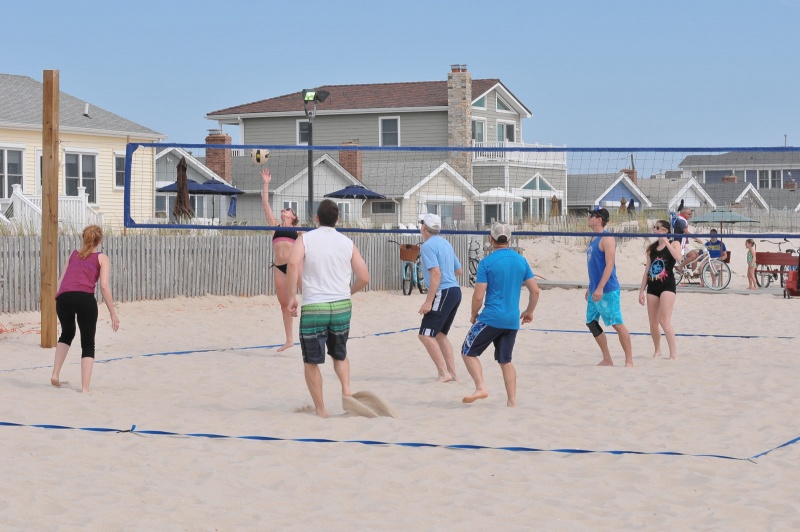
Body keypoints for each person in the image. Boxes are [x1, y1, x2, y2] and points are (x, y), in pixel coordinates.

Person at [286, 199, 370, 418]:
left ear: (316, 218)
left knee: (311, 361)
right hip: (341, 306)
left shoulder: (306, 239)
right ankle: (347, 391)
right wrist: (347, 292)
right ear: (337, 219)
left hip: (315, 306)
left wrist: (292, 296)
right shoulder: (347, 243)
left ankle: (321, 410)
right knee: (340, 354)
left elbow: (293, 263)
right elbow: (364, 277)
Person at [461, 222, 539, 406]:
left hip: (492, 317)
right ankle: (512, 402)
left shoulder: (487, 262)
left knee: (467, 351)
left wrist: (473, 313)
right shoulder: (521, 260)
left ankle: (481, 387)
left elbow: (478, 295)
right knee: (506, 361)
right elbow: (535, 291)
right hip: (512, 320)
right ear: (509, 240)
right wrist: (529, 311)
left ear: (491, 239)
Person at [51, 225, 120, 393]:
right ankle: (85, 388)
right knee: (88, 343)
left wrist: (58, 298)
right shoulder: (102, 258)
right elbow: (104, 286)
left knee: (67, 333)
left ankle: (55, 374)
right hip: (84, 298)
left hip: (64, 297)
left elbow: (61, 281)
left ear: (84, 238)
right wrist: (113, 313)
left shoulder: (73, 254)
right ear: (100, 240)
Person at [417, 213, 463, 382]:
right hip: (455, 291)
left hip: (443, 292)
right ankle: (453, 374)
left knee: (425, 335)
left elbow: (436, 274)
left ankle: (444, 374)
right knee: (440, 335)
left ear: (424, 227)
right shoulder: (445, 243)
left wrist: (428, 301)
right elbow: (459, 270)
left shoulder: (428, 246)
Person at [585, 208, 633, 367]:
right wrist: (590, 287)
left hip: (608, 289)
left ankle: (629, 360)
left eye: (591, 216)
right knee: (591, 322)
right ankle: (607, 359)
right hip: (595, 288)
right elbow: (594, 266)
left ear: (599, 219)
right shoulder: (593, 237)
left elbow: (609, 264)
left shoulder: (607, 238)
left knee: (617, 323)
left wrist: (599, 287)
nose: (589, 218)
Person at [261, 167, 302, 352]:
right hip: (279, 268)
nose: (285, 210)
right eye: (284, 209)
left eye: (289, 210)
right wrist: (266, 184)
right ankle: (289, 339)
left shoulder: (298, 230)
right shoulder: (275, 226)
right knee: (284, 304)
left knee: (309, 296)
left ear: (293, 217)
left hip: (294, 266)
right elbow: (265, 204)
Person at [638, 220, 682, 359]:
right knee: (653, 323)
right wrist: (641, 291)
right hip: (652, 286)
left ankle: (673, 354)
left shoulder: (674, 243)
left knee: (664, 321)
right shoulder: (651, 249)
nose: (655, 230)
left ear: (665, 230)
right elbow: (647, 271)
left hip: (667, 285)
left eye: (658, 228)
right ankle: (657, 350)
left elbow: (678, 258)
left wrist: (666, 242)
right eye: (654, 227)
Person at [674, 207, 704, 275]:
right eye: (689, 214)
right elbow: (686, 232)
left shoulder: (683, 220)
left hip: (685, 243)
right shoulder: (681, 221)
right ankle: (680, 267)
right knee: (692, 255)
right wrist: (696, 239)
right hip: (680, 243)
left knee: (696, 254)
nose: (690, 215)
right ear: (684, 213)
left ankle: (693, 272)